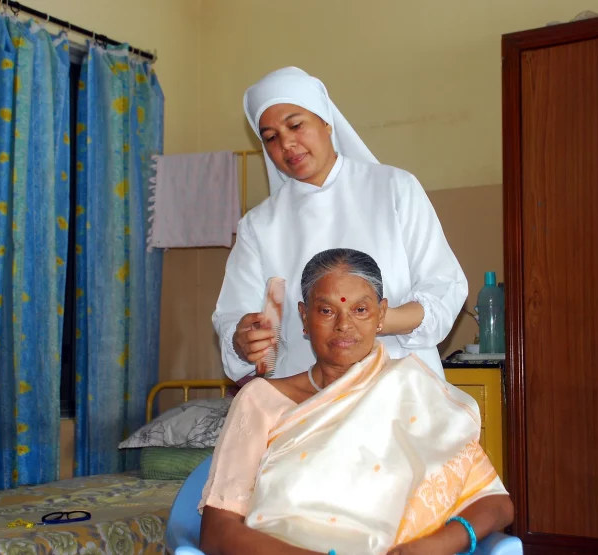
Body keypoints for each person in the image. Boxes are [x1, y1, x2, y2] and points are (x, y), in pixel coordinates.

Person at [199, 249, 513, 555]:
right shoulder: (260, 401)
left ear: (381, 314)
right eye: (326, 310)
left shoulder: (412, 392)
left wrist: (436, 544)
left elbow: (496, 504)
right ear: (304, 317)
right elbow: (217, 532)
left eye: (359, 310)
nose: (343, 324)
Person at [212, 67, 467, 382]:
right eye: (271, 137)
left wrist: (373, 321)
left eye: (296, 125)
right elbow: (235, 317)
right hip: (308, 403)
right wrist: (242, 341)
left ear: (326, 121)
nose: (287, 144)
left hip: (399, 389)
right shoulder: (259, 225)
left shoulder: (394, 188)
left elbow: (444, 287)